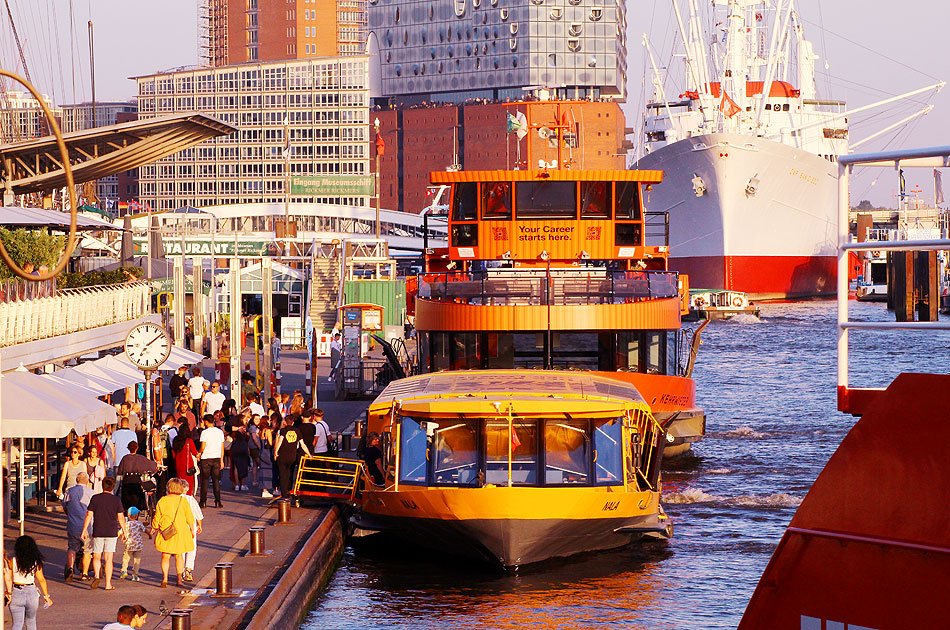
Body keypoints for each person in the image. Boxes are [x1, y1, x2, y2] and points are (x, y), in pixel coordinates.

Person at [81, 477, 128, 591]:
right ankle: (108, 584)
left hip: (98, 530)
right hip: (111, 532)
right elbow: (121, 517)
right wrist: (124, 532)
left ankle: (97, 576)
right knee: (108, 558)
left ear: (102, 486)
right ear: (112, 487)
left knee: (97, 556)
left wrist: (84, 530)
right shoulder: (116, 500)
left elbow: (89, 515)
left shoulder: (95, 498)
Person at [150, 478, 195, 589]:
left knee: (165, 556)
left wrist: (154, 527)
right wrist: (192, 529)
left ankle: (165, 578)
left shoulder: (162, 500)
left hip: (166, 530)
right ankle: (179, 579)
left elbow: (157, 516)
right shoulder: (183, 501)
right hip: (180, 530)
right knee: (179, 556)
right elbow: (189, 517)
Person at [4, 535, 52, 630]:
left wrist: (8, 592)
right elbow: (41, 579)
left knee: (17, 623)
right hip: (31, 592)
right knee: (31, 621)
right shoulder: (35, 562)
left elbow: (8, 578)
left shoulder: (12, 561)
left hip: (16, 592)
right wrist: (47, 597)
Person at [62, 471, 94, 583]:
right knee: (87, 550)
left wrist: (70, 515)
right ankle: (84, 573)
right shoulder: (91, 493)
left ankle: (70, 568)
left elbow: (65, 506)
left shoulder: (69, 491)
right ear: (87, 481)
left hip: (73, 524)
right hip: (88, 526)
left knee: (72, 548)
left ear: (77, 480)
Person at [274, 414, 310, 501]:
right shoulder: (297, 431)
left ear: (285, 422)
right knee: (290, 474)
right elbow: (302, 444)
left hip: (282, 455)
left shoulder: (282, 431)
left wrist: (276, 452)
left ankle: (284, 494)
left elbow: (280, 441)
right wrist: (309, 454)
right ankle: (289, 491)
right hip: (292, 456)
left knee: (283, 475)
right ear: (293, 422)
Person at [117, 441, 158, 512]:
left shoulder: (125, 458)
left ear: (128, 448)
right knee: (137, 503)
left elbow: (120, 472)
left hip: (126, 481)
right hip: (136, 481)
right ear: (137, 448)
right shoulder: (141, 458)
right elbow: (153, 465)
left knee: (127, 504)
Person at [197, 414, 225, 508]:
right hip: (216, 457)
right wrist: (222, 460)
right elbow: (222, 447)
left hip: (206, 458)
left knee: (204, 481)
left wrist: (199, 453)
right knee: (216, 480)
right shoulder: (220, 432)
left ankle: (203, 501)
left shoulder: (204, 432)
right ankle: (218, 501)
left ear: (206, 421)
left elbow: (203, 447)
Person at [180, 486, 203, 583]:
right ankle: (188, 570)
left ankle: (180, 571)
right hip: (190, 527)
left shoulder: (171, 499)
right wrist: (200, 525)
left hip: (178, 527)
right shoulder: (190, 499)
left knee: (180, 550)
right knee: (191, 548)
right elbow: (198, 514)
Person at [119, 507, 149, 581]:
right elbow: (145, 530)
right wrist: (150, 535)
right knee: (137, 560)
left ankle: (124, 570)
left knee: (126, 558)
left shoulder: (126, 524)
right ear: (136, 516)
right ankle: (135, 575)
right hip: (138, 545)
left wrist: (116, 537)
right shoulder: (139, 523)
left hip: (129, 545)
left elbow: (120, 532)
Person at [172, 427, 199, 495]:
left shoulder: (175, 440)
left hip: (178, 463)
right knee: (188, 484)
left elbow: (173, 454)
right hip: (188, 465)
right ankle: (187, 497)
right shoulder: (189, 441)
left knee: (179, 482)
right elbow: (195, 452)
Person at [229, 421, 251, 491]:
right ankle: (243, 484)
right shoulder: (244, 431)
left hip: (235, 447)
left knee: (236, 466)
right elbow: (248, 438)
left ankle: (237, 485)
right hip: (243, 447)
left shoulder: (234, 431)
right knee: (244, 466)